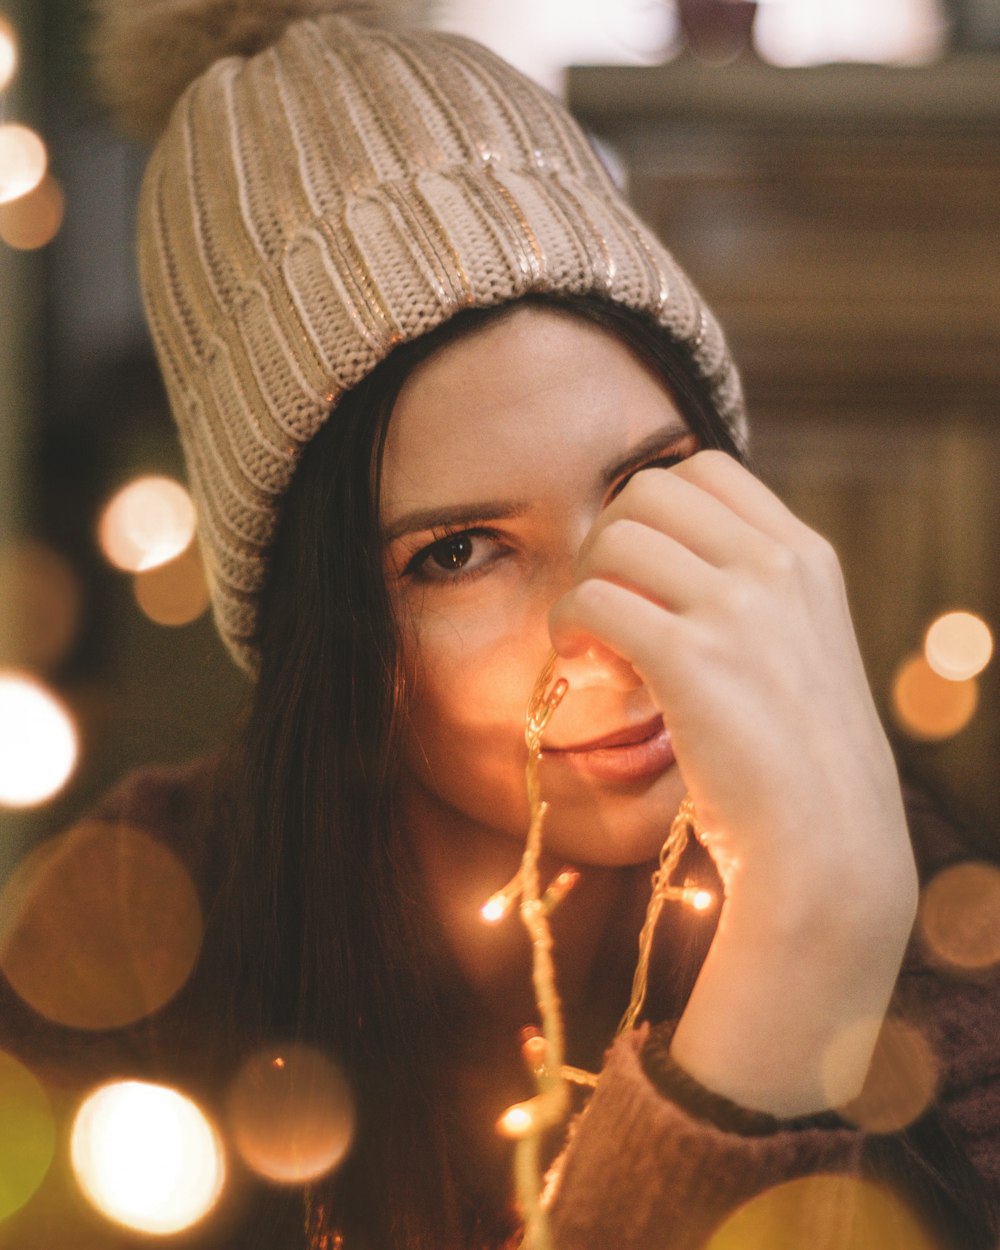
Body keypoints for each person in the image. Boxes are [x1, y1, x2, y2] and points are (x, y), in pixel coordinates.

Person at [58, 1, 999, 1247]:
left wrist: (823, 915)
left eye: (646, 484)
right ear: (314, 635)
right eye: (456, 552)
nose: (604, 634)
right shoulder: (142, 931)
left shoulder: (939, 917)